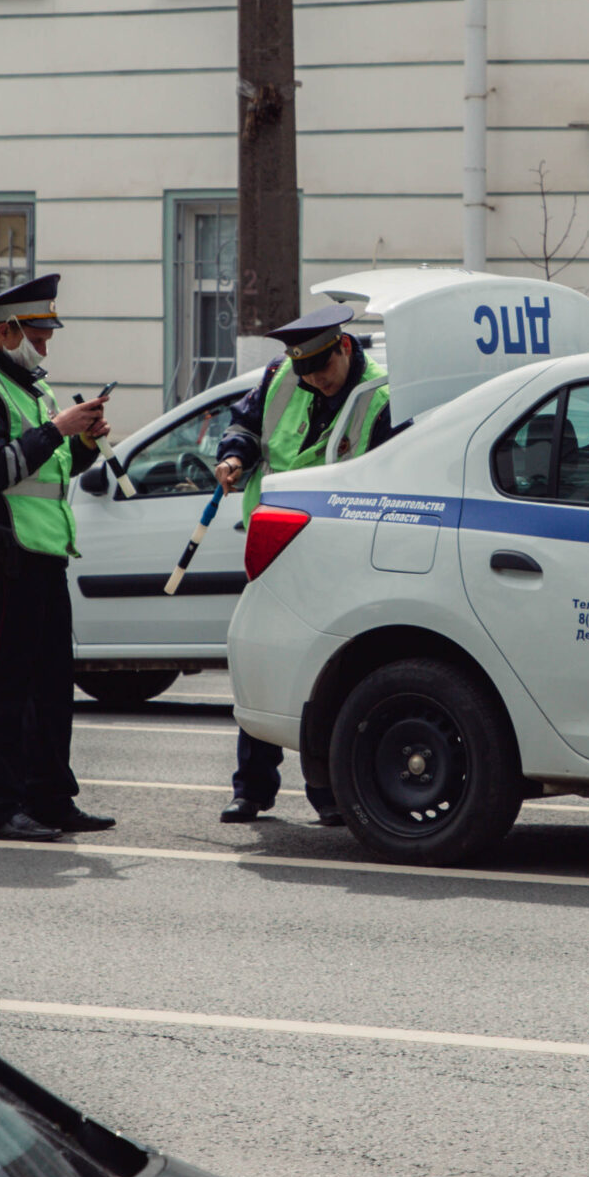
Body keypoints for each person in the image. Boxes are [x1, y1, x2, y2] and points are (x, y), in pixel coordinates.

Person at [0, 273, 118, 843]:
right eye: (37, 335)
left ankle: (50, 798)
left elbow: (52, 468)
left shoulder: (32, 386)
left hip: (43, 548)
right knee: (4, 684)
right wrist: (59, 429)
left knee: (50, 682)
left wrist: (82, 440)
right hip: (3, 547)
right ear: (6, 330)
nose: (45, 345)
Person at [212, 303, 397, 825]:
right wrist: (233, 458)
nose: (315, 382)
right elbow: (246, 424)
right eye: (305, 372)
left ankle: (331, 793)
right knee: (265, 659)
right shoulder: (283, 377)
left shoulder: (380, 395)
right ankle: (252, 789)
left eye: (322, 369)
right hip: (271, 545)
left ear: (343, 347)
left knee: (331, 671)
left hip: (338, 551)